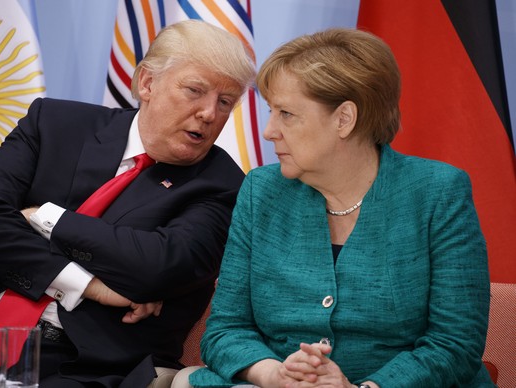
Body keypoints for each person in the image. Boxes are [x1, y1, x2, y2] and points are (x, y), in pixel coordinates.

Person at [0, 19, 255, 387]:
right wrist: (89, 285)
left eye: (225, 101)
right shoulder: (55, 123)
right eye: (195, 91)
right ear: (147, 83)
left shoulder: (225, 185)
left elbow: (157, 267)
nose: (210, 113)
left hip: (85, 367)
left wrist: (44, 217)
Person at [181, 28, 494, 387]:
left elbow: (454, 344)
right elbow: (225, 330)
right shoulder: (260, 190)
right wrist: (276, 375)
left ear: (344, 118)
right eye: (272, 111)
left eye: (286, 114)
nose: (269, 131)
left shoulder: (438, 192)